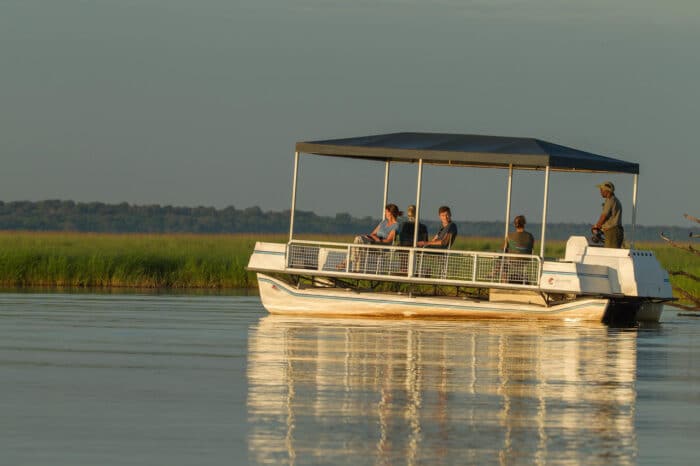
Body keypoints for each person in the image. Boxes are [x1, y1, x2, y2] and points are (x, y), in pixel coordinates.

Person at [593, 181, 624, 248]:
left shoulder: (610, 201)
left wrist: (596, 226)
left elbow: (604, 216)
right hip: (616, 231)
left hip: (612, 232)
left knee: (610, 252)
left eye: (602, 190)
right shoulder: (615, 200)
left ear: (607, 191)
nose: (600, 192)